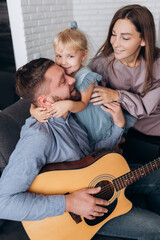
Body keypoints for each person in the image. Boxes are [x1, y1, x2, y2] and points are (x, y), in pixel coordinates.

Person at [0, 58, 159, 240]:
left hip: (102, 184)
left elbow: (90, 159)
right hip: (77, 217)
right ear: (45, 101)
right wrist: (69, 203)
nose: (72, 80)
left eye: (66, 74)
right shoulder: (38, 138)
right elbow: (3, 203)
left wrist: (118, 125)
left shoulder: (68, 113)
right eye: (62, 81)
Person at [30, 21, 124, 148]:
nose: (63, 62)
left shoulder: (87, 77)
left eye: (70, 56)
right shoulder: (60, 73)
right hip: (78, 125)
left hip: (94, 123)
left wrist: (67, 104)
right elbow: (39, 92)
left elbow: (83, 104)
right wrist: (33, 111)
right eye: (59, 56)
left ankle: (115, 143)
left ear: (83, 55)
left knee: (99, 149)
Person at [89, 4, 160, 136]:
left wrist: (117, 95)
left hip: (153, 122)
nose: (115, 43)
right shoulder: (101, 65)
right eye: (113, 34)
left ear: (143, 40)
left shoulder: (157, 64)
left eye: (125, 38)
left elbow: (145, 108)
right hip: (121, 123)